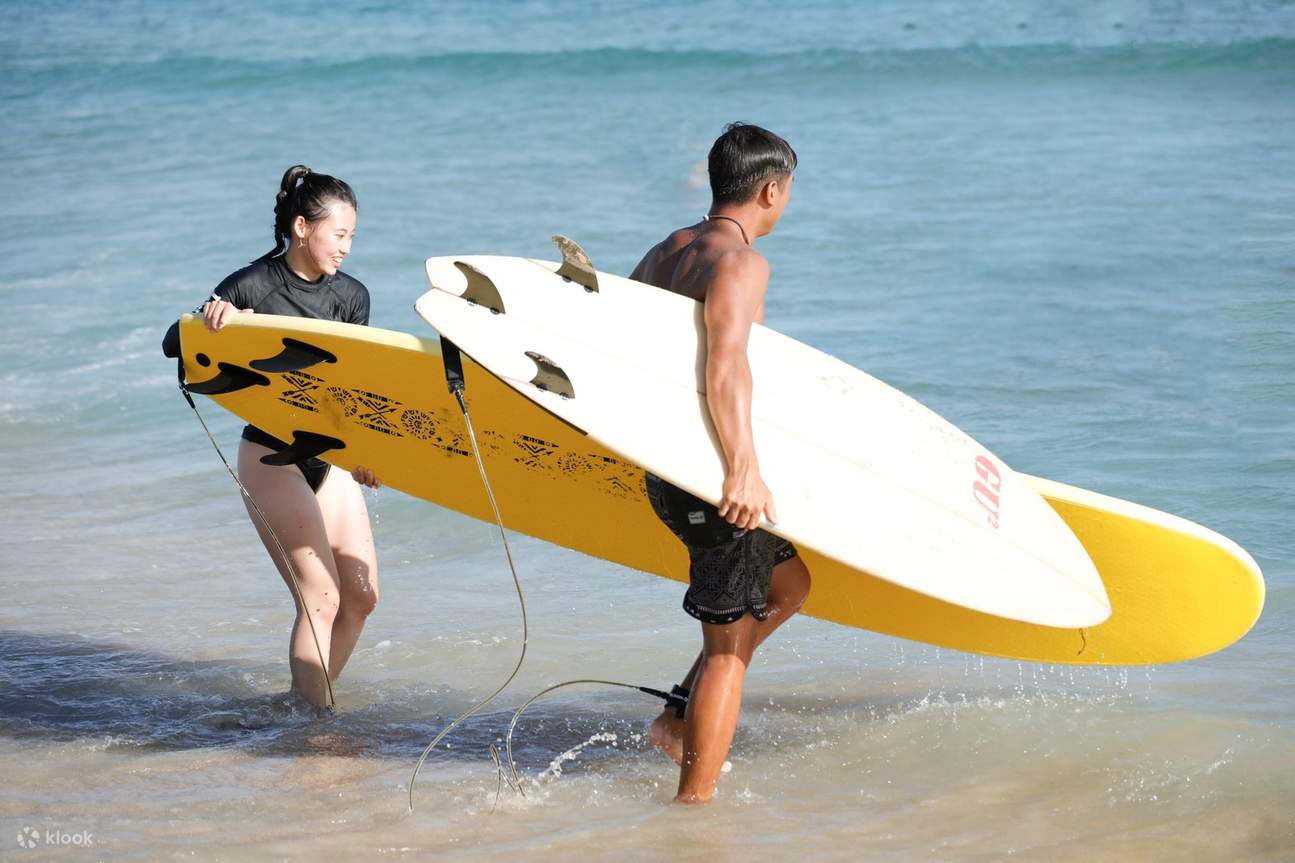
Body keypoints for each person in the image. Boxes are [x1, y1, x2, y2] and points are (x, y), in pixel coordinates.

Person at [630, 123, 812, 803]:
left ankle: (680, 713)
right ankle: (692, 806)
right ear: (772, 189)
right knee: (727, 649)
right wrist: (741, 467)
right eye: (788, 191)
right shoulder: (741, 264)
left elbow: (611, 340)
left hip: (669, 470)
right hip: (711, 474)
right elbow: (726, 364)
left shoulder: (665, 251)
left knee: (788, 585)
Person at [198, 165, 381, 710]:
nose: (347, 247)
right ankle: (314, 727)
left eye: (353, 236)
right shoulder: (252, 285)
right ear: (302, 227)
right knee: (319, 597)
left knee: (362, 599)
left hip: (331, 455)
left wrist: (370, 452)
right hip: (273, 455)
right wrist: (217, 316)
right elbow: (187, 345)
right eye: (339, 234)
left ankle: (305, 706)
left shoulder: (351, 296)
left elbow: (356, 386)